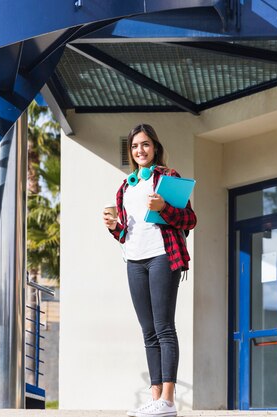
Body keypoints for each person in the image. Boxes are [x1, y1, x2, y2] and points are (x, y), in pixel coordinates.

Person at [103, 123, 197, 417]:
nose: (139, 150)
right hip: (134, 260)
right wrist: (115, 228)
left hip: (162, 257)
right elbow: (128, 233)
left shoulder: (168, 178)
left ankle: (168, 400)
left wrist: (163, 208)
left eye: (145, 144)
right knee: (148, 332)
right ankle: (155, 398)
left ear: (155, 147)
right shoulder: (125, 186)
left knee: (164, 327)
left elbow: (189, 220)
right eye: (134, 146)